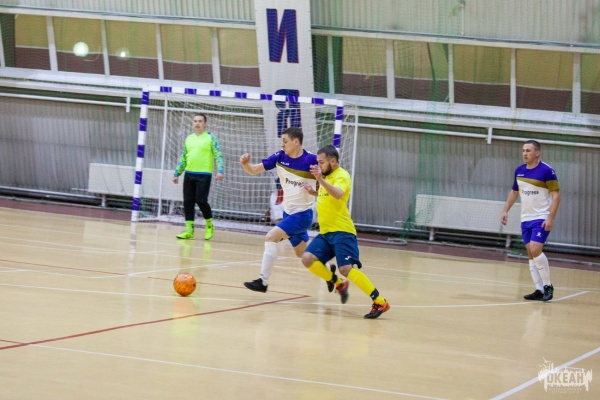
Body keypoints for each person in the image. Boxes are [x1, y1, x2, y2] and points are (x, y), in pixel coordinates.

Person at [240, 127, 336, 293]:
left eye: (285, 141)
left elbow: (331, 179)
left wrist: (320, 180)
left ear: (296, 142)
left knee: (270, 237)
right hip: (288, 213)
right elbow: (254, 170)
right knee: (302, 253)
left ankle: (263, 281)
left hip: (302, 215)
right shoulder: (280, 157)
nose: (282, 145)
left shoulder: (312, 160)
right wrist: (245, 164)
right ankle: (329, 273)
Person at [301, 145, 390, 319]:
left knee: (345, 268)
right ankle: (338, 283)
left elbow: (338, 194)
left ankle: (380, 301)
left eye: (321, 162)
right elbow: (326, 195)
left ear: (333, 161)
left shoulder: (342, 175)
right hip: (326, 232)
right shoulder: (327, 177)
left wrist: (320, 179)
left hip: (342, 231)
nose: (319, 165)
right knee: (307, 259)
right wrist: (313, 192)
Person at [501, 140, 560, 302]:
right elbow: (514, 192)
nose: (525, 153)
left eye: (528, 150)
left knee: (535, 248)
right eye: (523, 150)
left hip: (541, 217)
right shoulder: (519, 171)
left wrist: (550, 217)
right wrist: (505, 210)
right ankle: (539, 289)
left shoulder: (547, 171)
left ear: (537, 153)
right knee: (530, 252)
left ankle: (548, 286)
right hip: (525, 218)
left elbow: (556, 196)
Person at [173, 113, 224, 240]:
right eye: (195, 121)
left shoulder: (211, 137)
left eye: (200, 121)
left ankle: (209, 225)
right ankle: (189, 230)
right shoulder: (189, 138)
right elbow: (183, 157)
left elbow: (218, 155)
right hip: (189, 174)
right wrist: (177, 173)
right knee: (188, 202)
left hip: (204, 174)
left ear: (205, 123)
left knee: (201, 201)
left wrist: (220, 170)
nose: (197, 123)